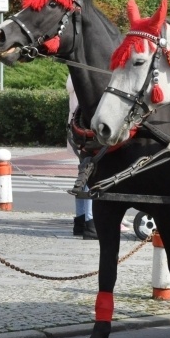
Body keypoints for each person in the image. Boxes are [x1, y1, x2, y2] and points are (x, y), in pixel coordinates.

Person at [67, 75, 96, 239]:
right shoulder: (84, 78)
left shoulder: (74, 77)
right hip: (86, 130)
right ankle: (91, 222)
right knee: (90, 177)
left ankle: (81, 220)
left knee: (83, 177)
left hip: (77, 129)